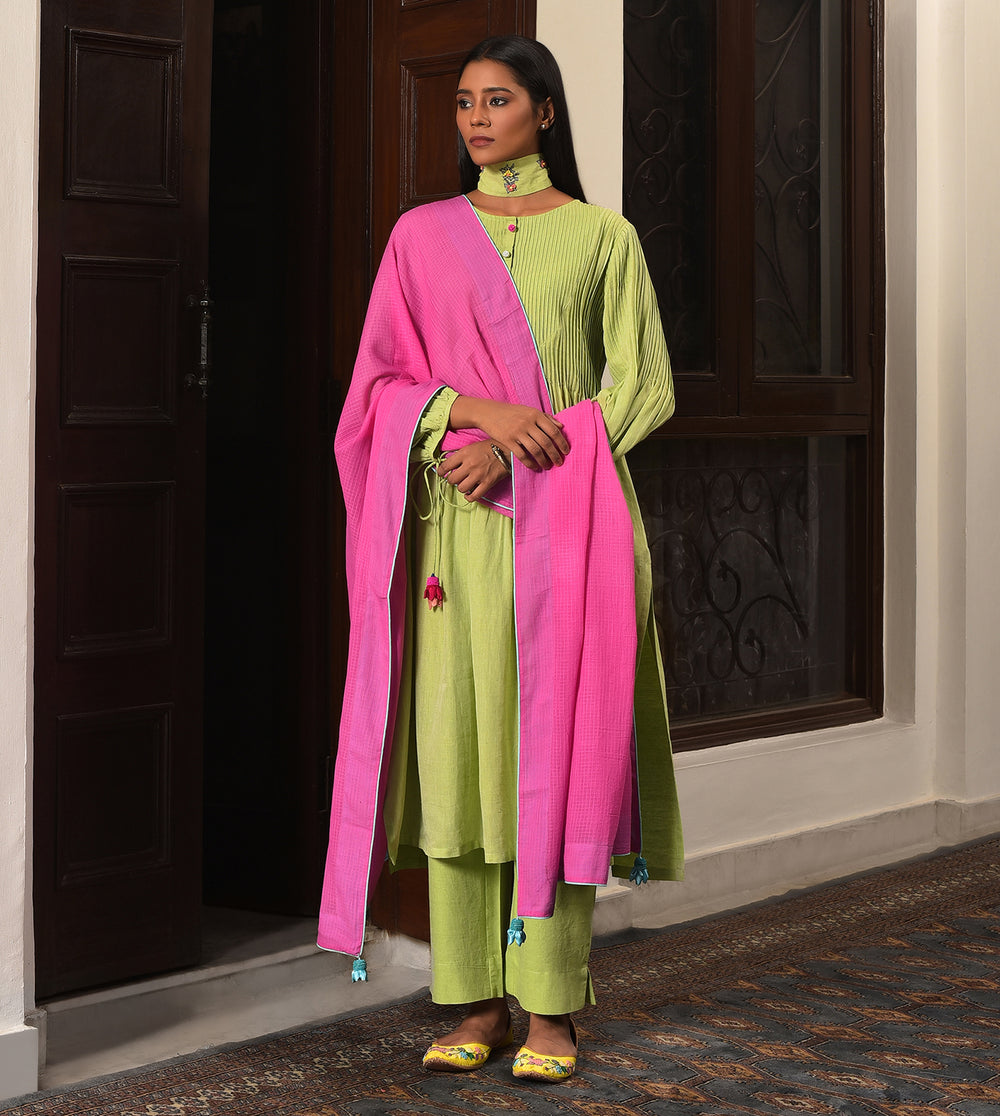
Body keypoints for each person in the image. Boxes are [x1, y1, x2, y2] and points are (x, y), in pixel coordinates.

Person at [318, 34, 683, 1084]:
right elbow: (377, 388)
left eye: (499, 100)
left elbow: (644, 387)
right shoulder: (421, 238)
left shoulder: (602, 237)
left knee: (552, 759)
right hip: (452, 540)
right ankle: (472, 997)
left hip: (565, 535)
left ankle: (552, 1007)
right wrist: (470, 416)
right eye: (465, 103)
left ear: (545, 113)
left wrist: (523, 457)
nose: (476, 119)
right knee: (458, 763)